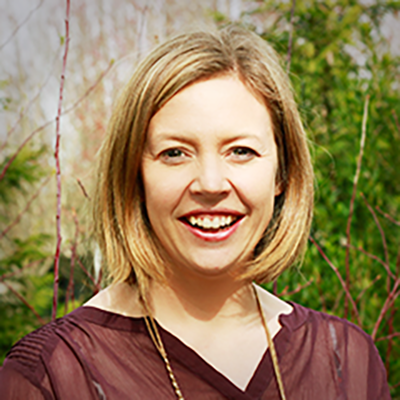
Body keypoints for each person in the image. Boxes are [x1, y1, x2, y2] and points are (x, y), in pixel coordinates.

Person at [0, 25, 390, 400]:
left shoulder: (345, 361)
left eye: (241, 151)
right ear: (135, 176)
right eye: (175, 153)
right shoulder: (52, 375)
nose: (210, 183)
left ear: (282, 173)